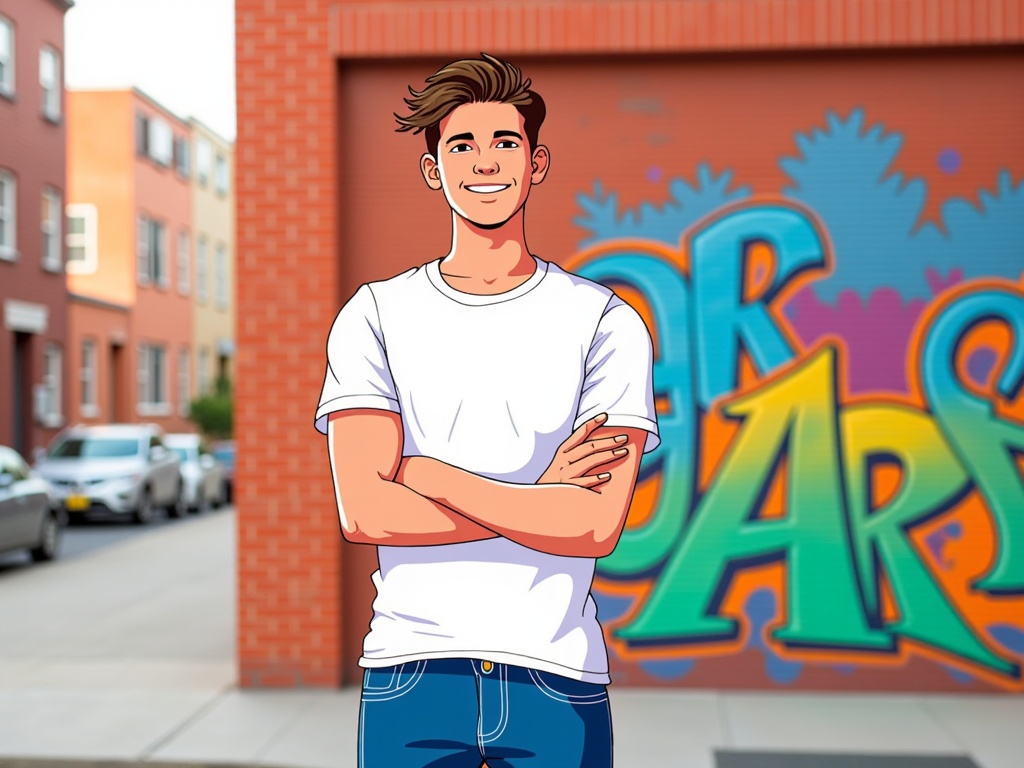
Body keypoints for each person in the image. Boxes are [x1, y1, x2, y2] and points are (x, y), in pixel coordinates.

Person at [314, 53, 659, 768]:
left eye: (505, 142)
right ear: (433, 170)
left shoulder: (605, 322)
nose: (485, 162)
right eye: (461, 145)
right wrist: (540, 500)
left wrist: (432, 475)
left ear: (537, 163)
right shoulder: (375, 314)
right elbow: (366, 513)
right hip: (413, 672)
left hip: (557, 674)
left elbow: (594, 524)